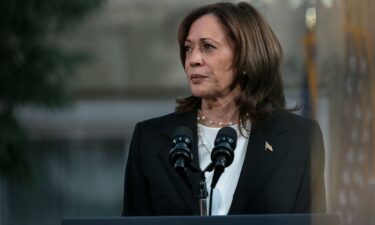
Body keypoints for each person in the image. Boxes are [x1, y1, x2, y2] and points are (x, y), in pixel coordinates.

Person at [122, 2, 326, 216]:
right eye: (188, 48)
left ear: (246, 58)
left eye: (207, 47)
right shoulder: (150, 139)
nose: (193, 60)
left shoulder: (298, 139)